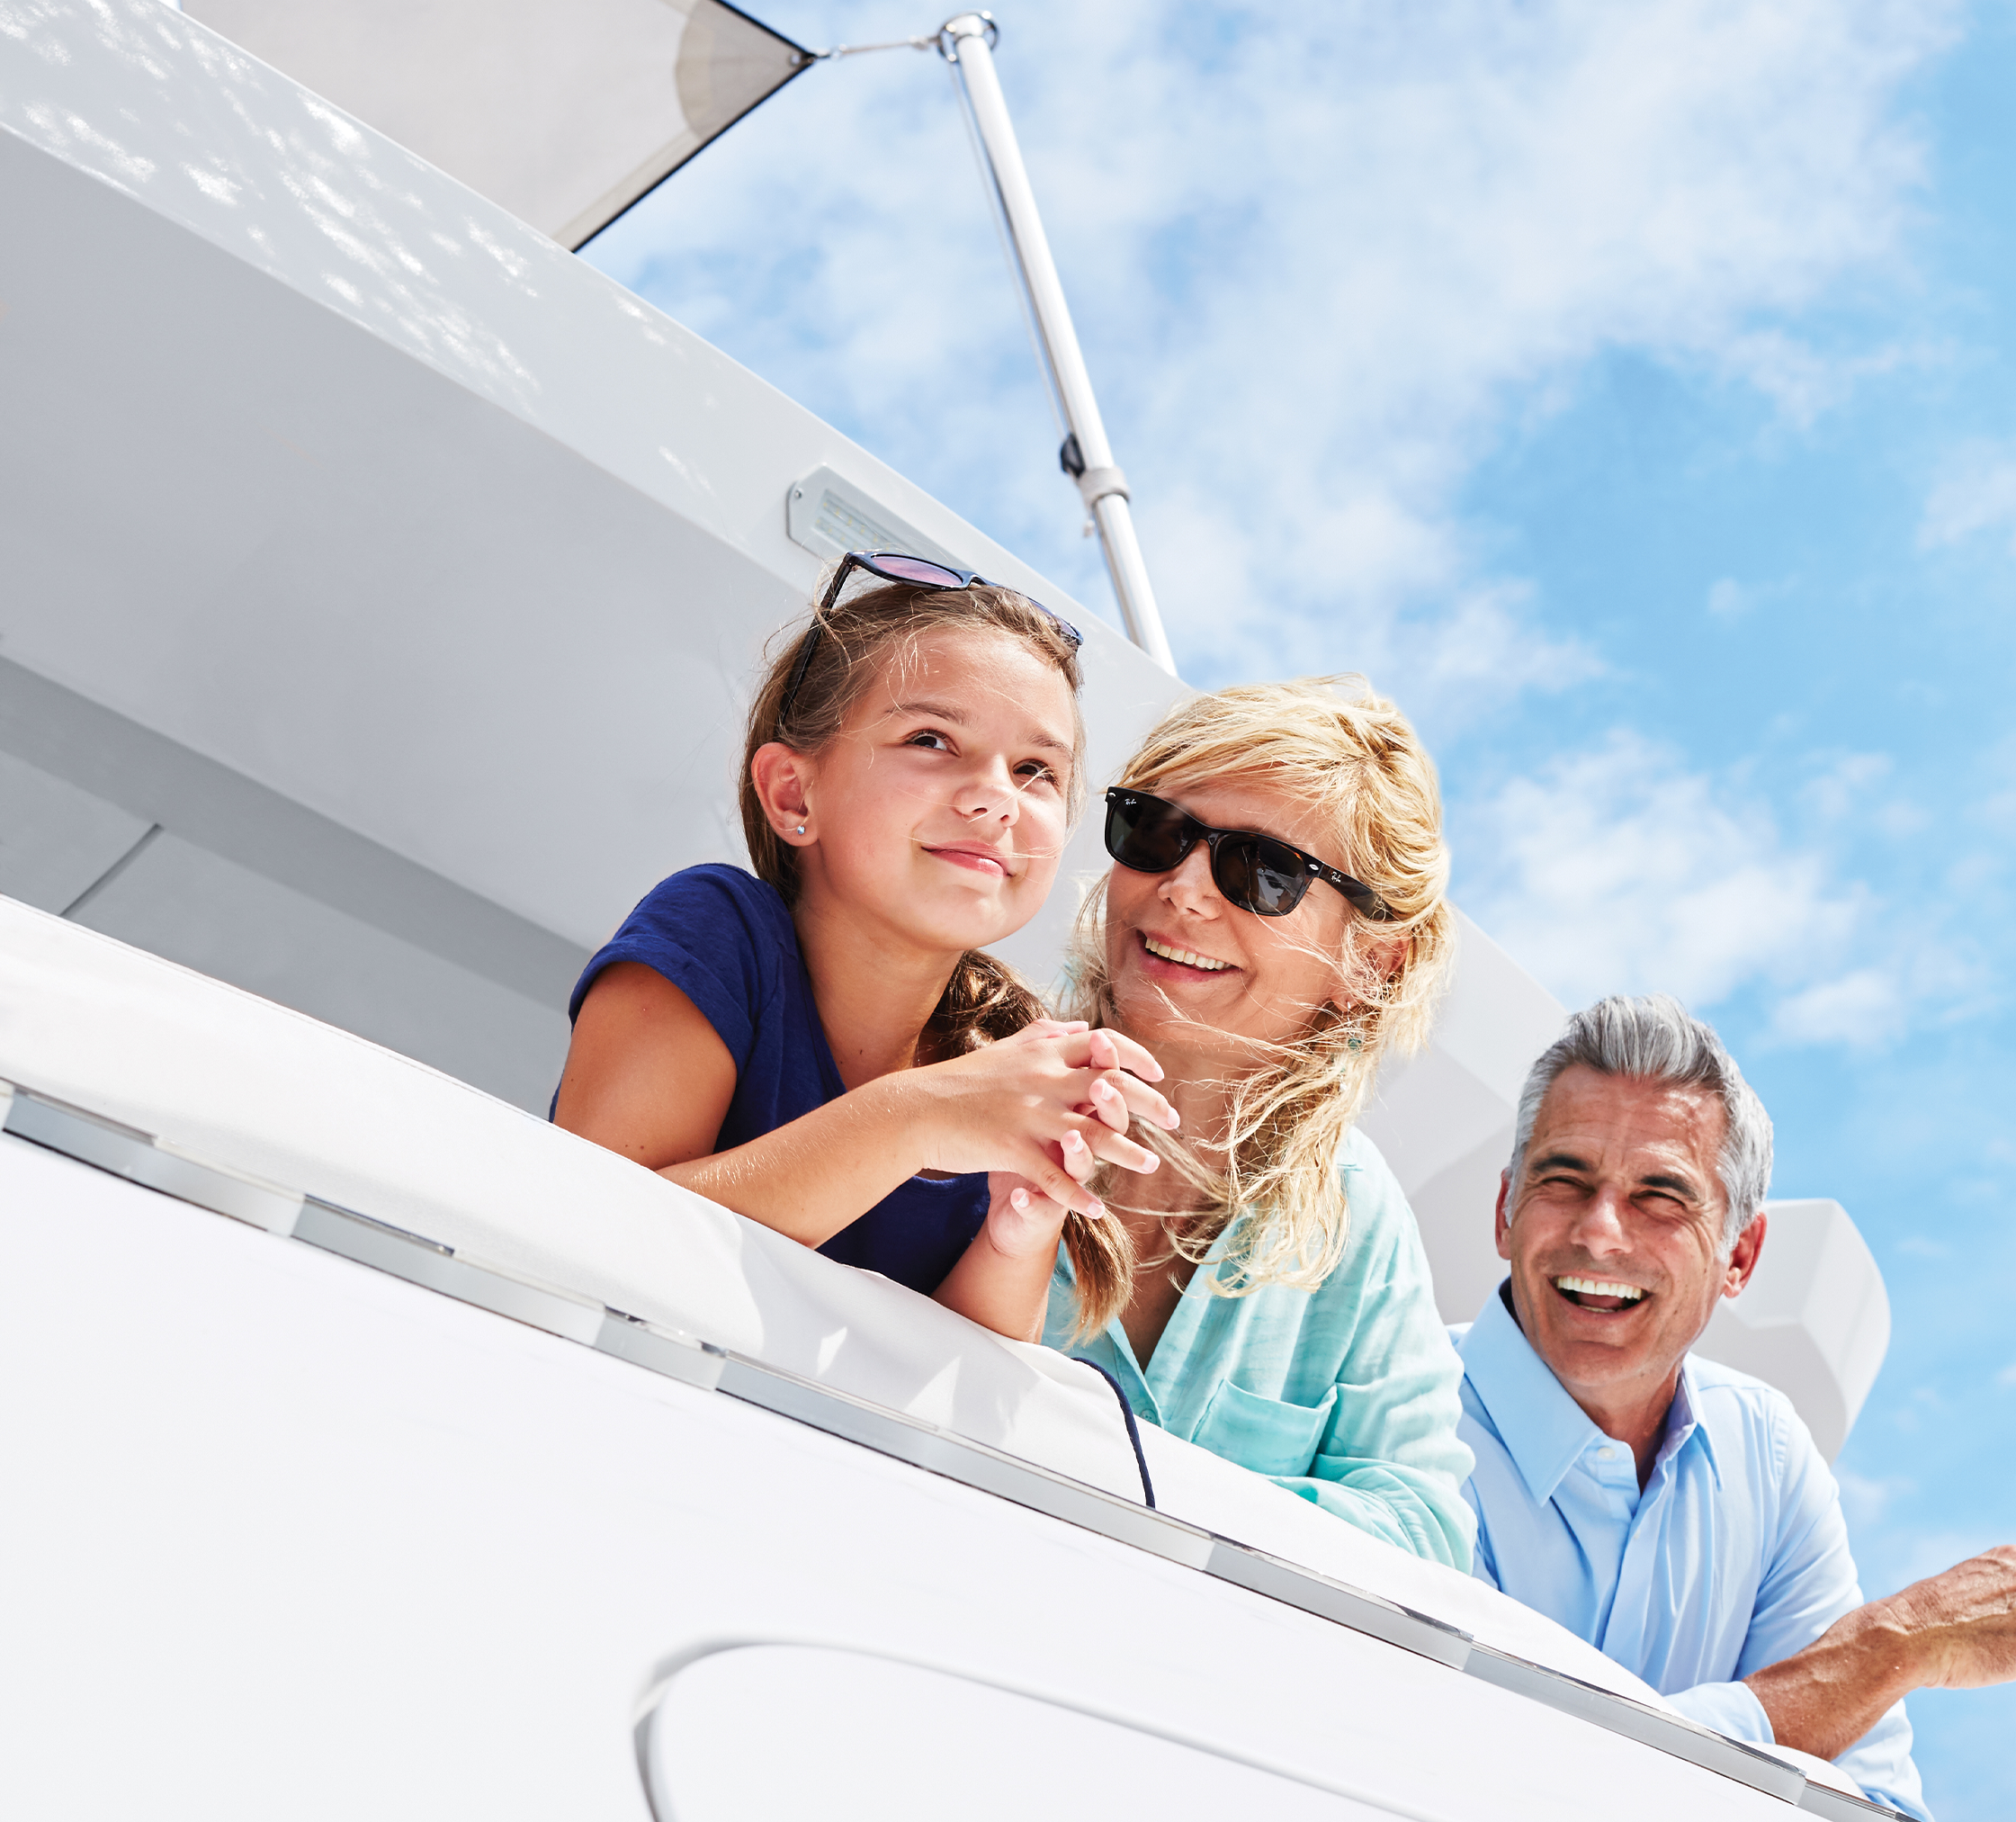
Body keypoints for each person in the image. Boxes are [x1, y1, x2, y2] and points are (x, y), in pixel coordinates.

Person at [553, 552, 1178, 1342]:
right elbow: (592, 1231)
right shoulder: (717, 927)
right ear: (793, 793)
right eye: (931, 738)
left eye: (1035, 770)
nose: (995, 796)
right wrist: (919, 1114)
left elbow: (964, 1384)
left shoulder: (1004, 1058)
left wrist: (1014, 1235)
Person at [1456, 992, 2016, 1818]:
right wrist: (1885, 1650)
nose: (1601, 1231)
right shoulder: (1396, 1417)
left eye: (1660, 1196)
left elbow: (1868, 1802)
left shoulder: (1768, 1451)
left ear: (1739, 1255)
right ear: (1506, 1210)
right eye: (1564, 1178)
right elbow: (1464, 1778)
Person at [1041, 678, 1476, 1568]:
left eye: (1261, 870)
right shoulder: (968, 1080)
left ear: (1369, 965)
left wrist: (1132, 1495)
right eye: (1155, 832)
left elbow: (1425, 1532)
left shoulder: (1359, 1217)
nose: (1185, 887)